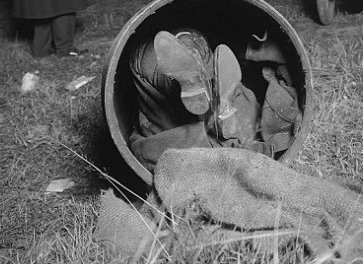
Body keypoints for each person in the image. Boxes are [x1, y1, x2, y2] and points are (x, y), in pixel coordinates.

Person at [127, 28, 301, 172]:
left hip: (180, 140)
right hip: (237, 129)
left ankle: (188, 59)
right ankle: (191, 51)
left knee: (142, 57)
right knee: (196, 50)